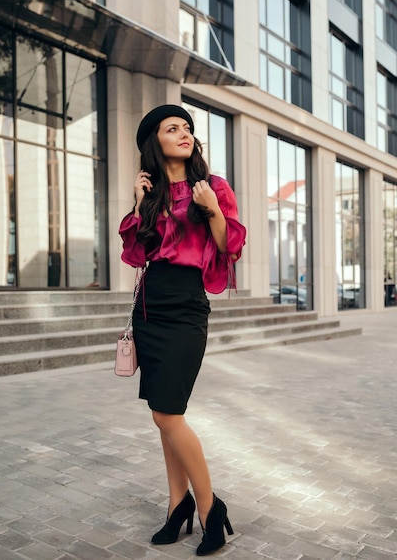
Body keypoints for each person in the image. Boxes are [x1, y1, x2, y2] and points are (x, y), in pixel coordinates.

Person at [119, 104, 246, 556]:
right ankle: (178, 508)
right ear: (156, 141)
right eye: (173, 128)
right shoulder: (151, 191)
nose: (184, 133)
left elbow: (229, 246)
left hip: (188, 306)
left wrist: (212, 210)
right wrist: (138, 205)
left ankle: (211, 509)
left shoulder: (213, 187)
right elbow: (136, 255)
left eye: (188, 127)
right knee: (161, 413)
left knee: (169, 414)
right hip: (151, 307)